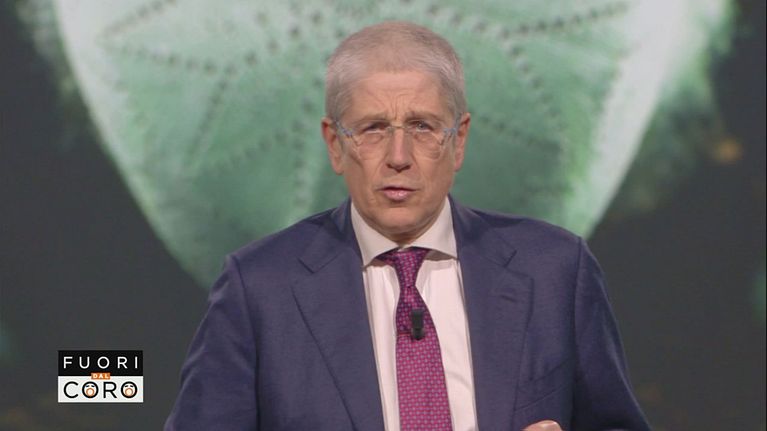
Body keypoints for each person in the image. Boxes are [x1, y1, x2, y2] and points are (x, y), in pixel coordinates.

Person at [165, 21, 650, 431]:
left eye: (422, 127)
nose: (399, 157)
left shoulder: (554, 271)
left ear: (458, 141)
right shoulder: (260, 289)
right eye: (373, 129)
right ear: (335, 144)